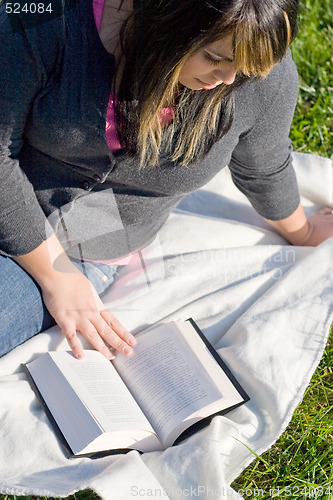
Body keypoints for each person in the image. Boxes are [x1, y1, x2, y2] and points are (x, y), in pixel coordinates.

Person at [1, 0, 332, 360]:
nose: (229, 79)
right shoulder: (41, 21)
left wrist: (303, 232)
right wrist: (57, 276)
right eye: (213, 57)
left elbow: (264, 168)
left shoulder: (258, 70)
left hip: (84, 245)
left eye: (246, 68)